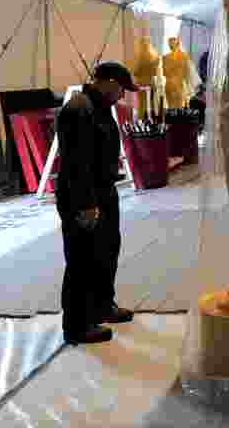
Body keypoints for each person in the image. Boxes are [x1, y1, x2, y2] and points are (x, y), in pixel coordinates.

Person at [56, 61, 139, 344]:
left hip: (104, 191)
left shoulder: (101, 108)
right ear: (108, 83)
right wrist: (87, 204)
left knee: (107, 252)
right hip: (82, 196)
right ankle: (77, 325)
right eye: (121, 90)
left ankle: (103, 305)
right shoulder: (79, 109)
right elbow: (76, 163)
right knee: (82, 261)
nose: (122, 96)